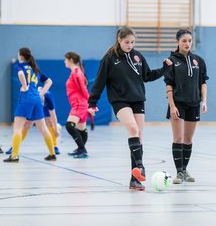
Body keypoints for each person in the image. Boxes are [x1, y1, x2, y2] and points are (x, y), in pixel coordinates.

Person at [88, 26, 166, 190]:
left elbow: (147, 76)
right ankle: (140, 166)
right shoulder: (109, 58)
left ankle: (134, 179)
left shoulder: (137, 56)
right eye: (126, 42)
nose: (130, 45)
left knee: (139, 135)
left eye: (132, 42)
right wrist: (92, 102)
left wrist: (164, 69)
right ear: (119, 40)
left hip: (137, 100)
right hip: (119, 100)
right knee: (132, 128)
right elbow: (99, 82)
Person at [163, 29, 208, 184]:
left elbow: (203, 82)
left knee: (188, 139)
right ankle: (179, 172)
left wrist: (204, 101)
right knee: (178, 137)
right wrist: (172, 105)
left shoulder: (199, 61)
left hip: (194, 104)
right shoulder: (171, 61)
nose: (187, 43)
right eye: (184, 41)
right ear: (177, 42)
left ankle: (185, 170)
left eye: (189, 40)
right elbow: (169, 85)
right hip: (178, 105)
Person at [4, 47, 56, 162]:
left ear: (21, 56)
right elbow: (49, 81)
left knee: (17, 128)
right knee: (43, 128)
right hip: (36, 99)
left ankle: (14, 155)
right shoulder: (35, 68)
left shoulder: (20, 66)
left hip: (26, 98)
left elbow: (21, 74)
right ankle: (52, 153)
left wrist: (24, 86)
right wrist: (41, 93)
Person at [5, 87, 61, 155]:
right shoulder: (31, 98)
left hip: (38, 104)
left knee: (49, 122)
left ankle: (54, 146)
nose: (42, 104)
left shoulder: (48, 98)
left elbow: (53, 115)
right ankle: (14, 146)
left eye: (42, 102)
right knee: (27, 124)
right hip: (33, 104)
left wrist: (56, 129)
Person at [64, 52, 90, 158]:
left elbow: (83, 89)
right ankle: (81, 148)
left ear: (70, 60)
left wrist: (90, 103)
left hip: (79, 103)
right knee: (81, 128)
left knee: (69, 125)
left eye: (65, 60)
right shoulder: (75, 72)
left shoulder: (76, 72)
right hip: (78, 103)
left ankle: (82, 149)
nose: (64, 62)